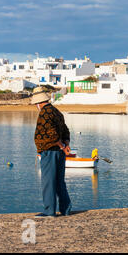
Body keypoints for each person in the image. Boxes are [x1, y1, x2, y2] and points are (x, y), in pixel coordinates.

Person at [31, 86, 72, 218]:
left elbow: (51, 133)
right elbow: (65, 130)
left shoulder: (44, 112)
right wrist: (65, 145)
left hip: (50, 151)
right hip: (59, 153)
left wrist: (60, 145)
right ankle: (65, 210)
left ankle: (49, 212)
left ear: (38, 102)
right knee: (60, 182)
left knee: (48, 182)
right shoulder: (56, 111)